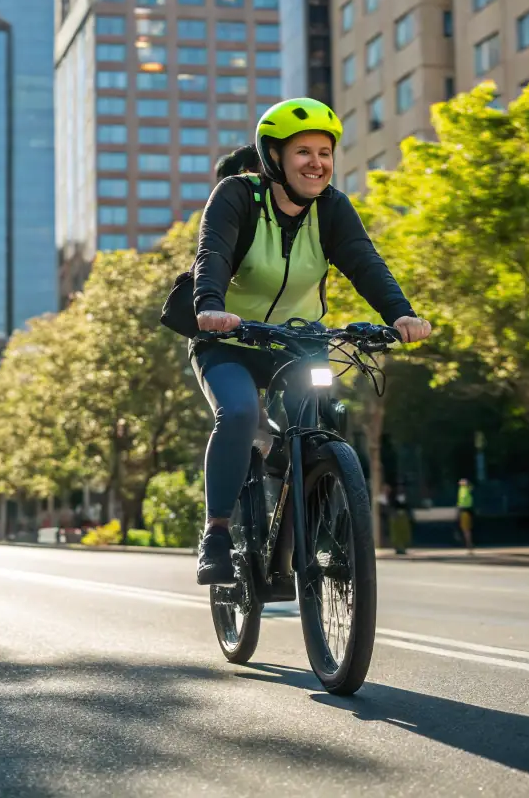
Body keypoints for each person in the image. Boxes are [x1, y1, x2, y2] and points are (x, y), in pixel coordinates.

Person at [190, 97, 433, 585]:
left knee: (323, 422)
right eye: (303, 151)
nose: (316, 163)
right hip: (230, 340)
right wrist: (210, 305)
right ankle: (217, 533)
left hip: (298, 343)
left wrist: (401, 314)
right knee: (238, 414)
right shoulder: (238, 196)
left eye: (325, 152)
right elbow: (212, 252)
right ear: (275, 157)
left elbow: (365, 263)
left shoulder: (332, 209)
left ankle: (312, 523)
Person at [456, 477, 475, 553]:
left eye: (463, 481)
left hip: (465, 510)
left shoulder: (467, 488)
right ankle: (468, 544)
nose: (461, 482)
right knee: (464, 529)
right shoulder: (461, 489)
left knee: (466, 529)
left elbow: (471, 488)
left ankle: (469, 545)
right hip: (463, 510)